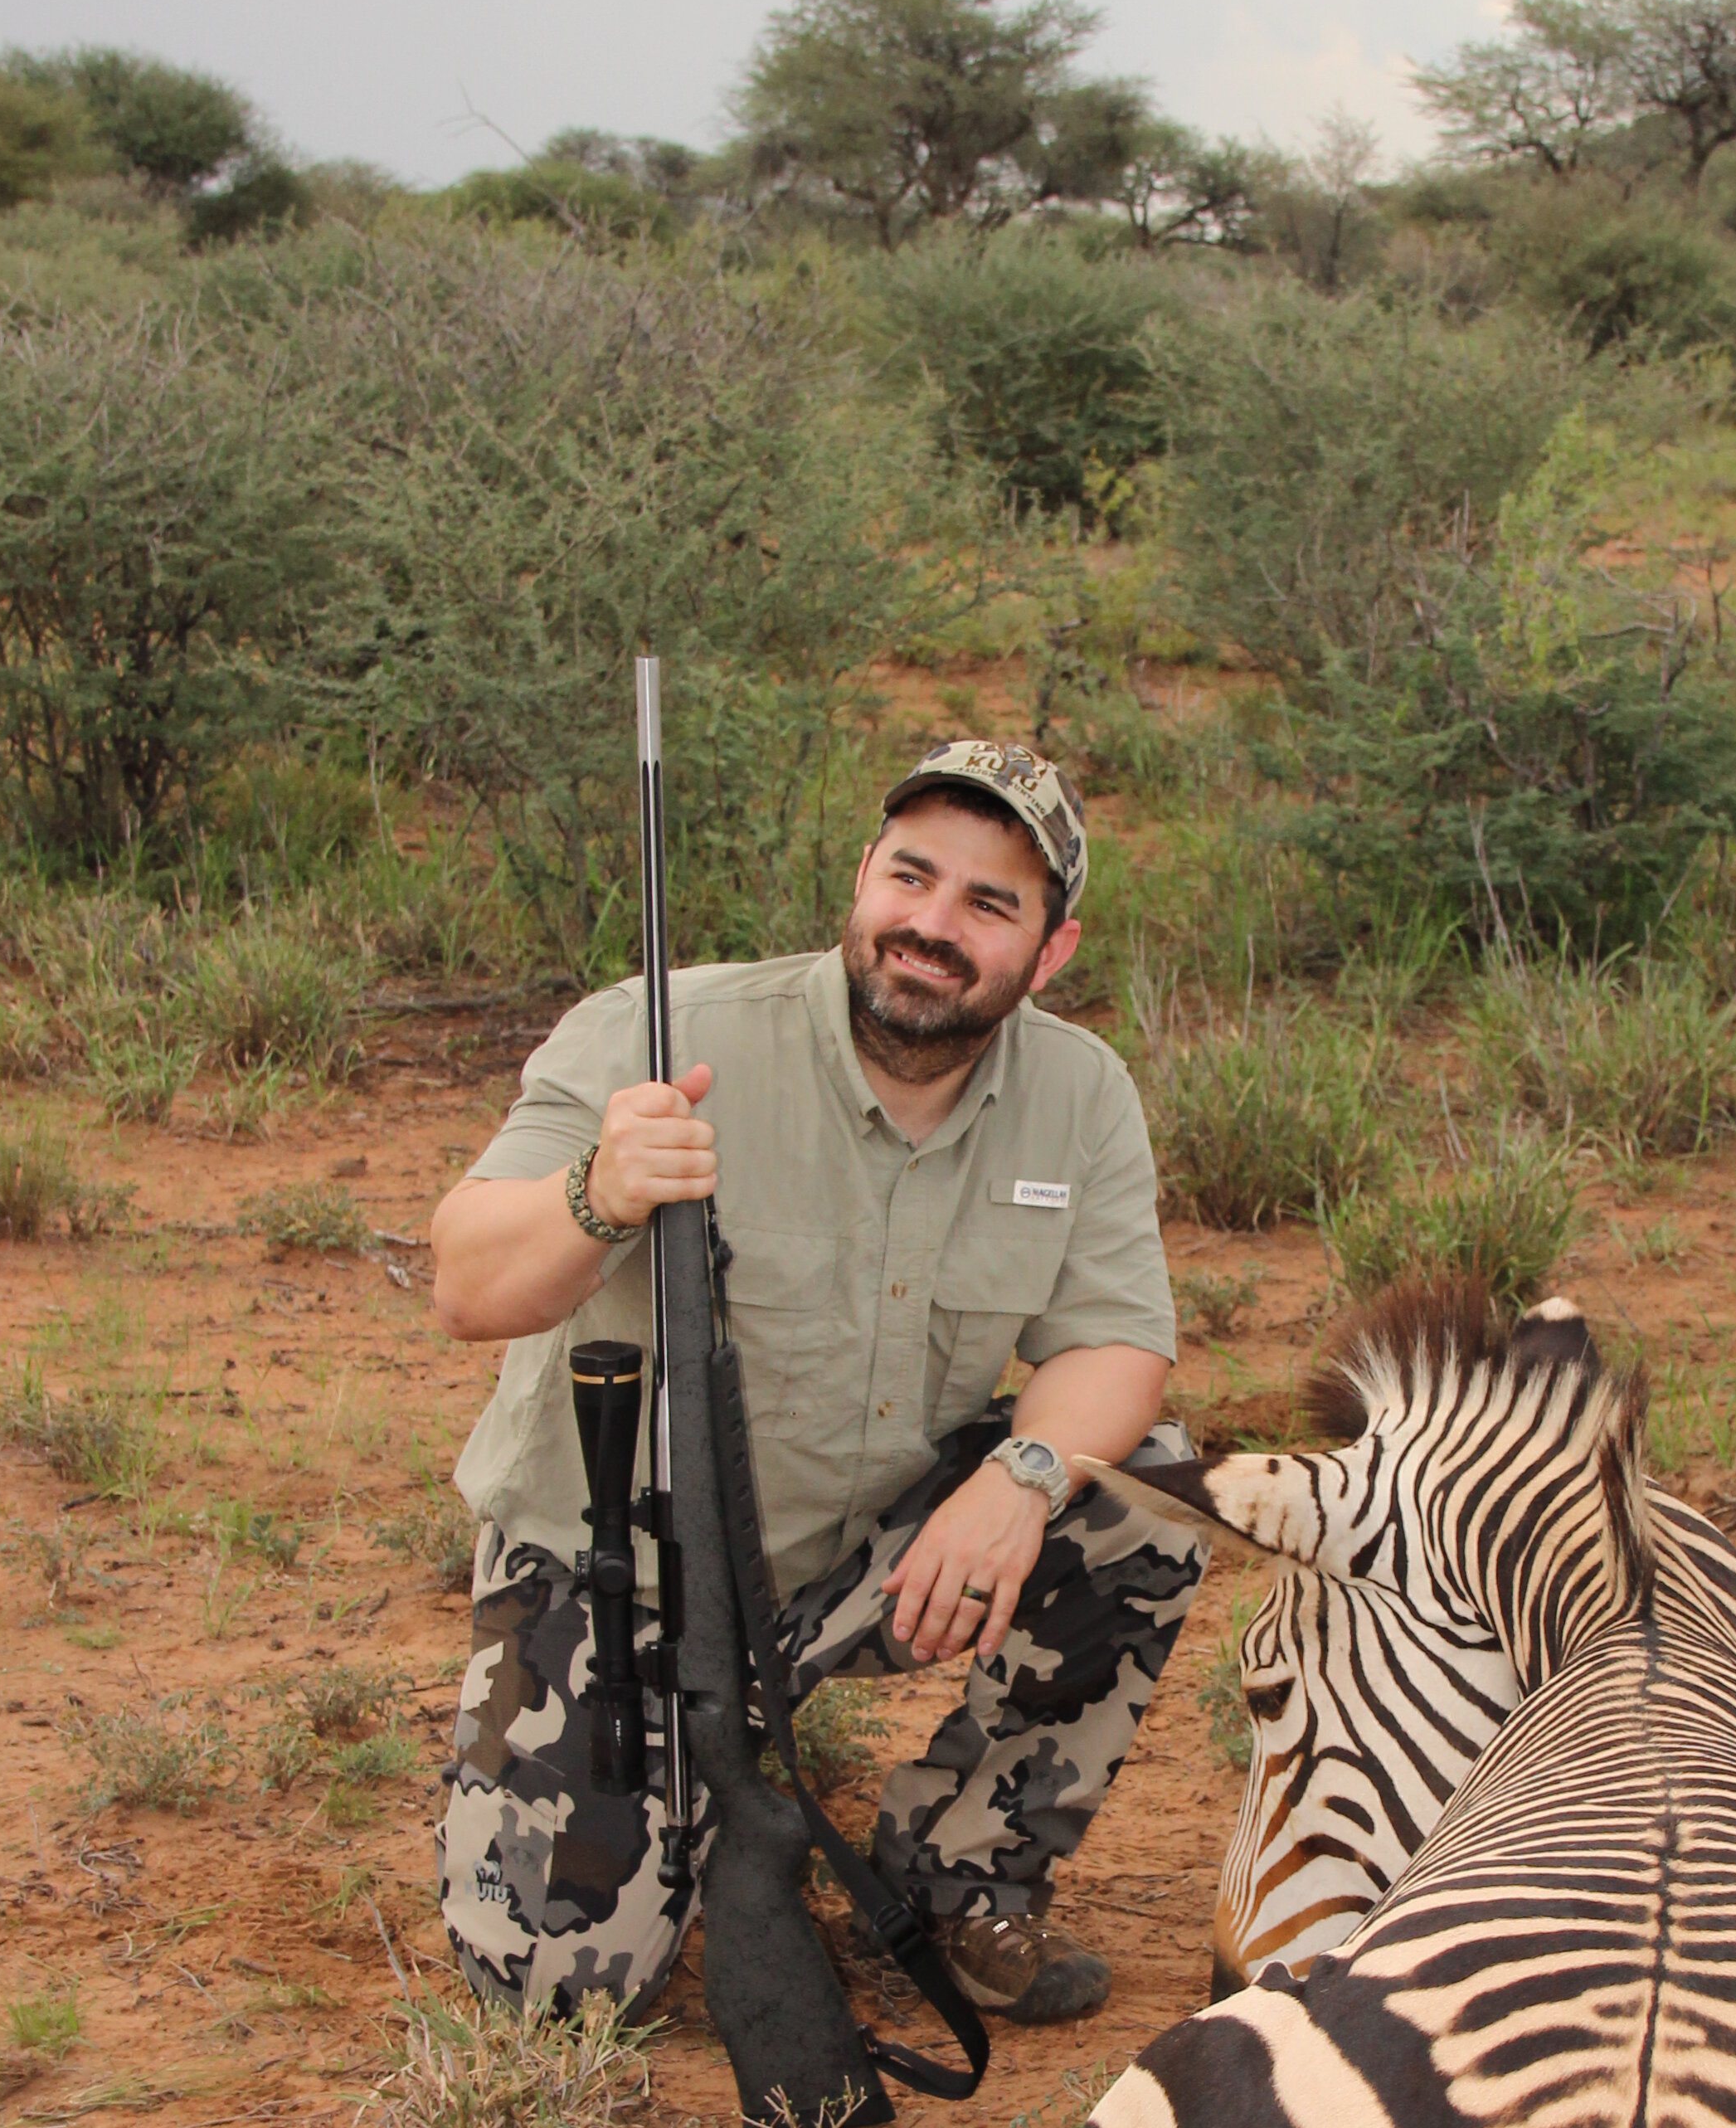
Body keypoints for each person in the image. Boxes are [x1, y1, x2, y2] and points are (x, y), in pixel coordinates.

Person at [428, 738, 1204, 2032]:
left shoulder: (1082, 1094)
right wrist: (597, 1194)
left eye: (987, 904)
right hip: (616, 1581)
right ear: (863, 878)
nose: (930, 925)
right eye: (911, 877)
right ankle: (652, 1790)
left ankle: (958, 1877)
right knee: (555, 1995)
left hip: (860, 1570)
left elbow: (1120, 1344)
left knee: (1142, 1493)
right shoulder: (658, 1031)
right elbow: (466, 1280)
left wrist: (1020, 1482)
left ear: (1051, 952)